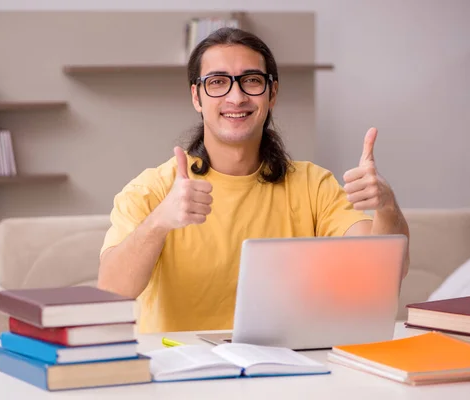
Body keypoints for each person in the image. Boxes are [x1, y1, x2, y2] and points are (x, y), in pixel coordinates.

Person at [98, 27, 410, 334]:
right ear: (197, 96)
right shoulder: (152, 189)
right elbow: (111, 292)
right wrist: (159, 223)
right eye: (218, 82)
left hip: (292, 369)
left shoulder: (314, 186)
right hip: (181, 374)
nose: (237, 97)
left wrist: (387, 206)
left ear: (272, 93)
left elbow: (379, 275)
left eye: (251, 81)